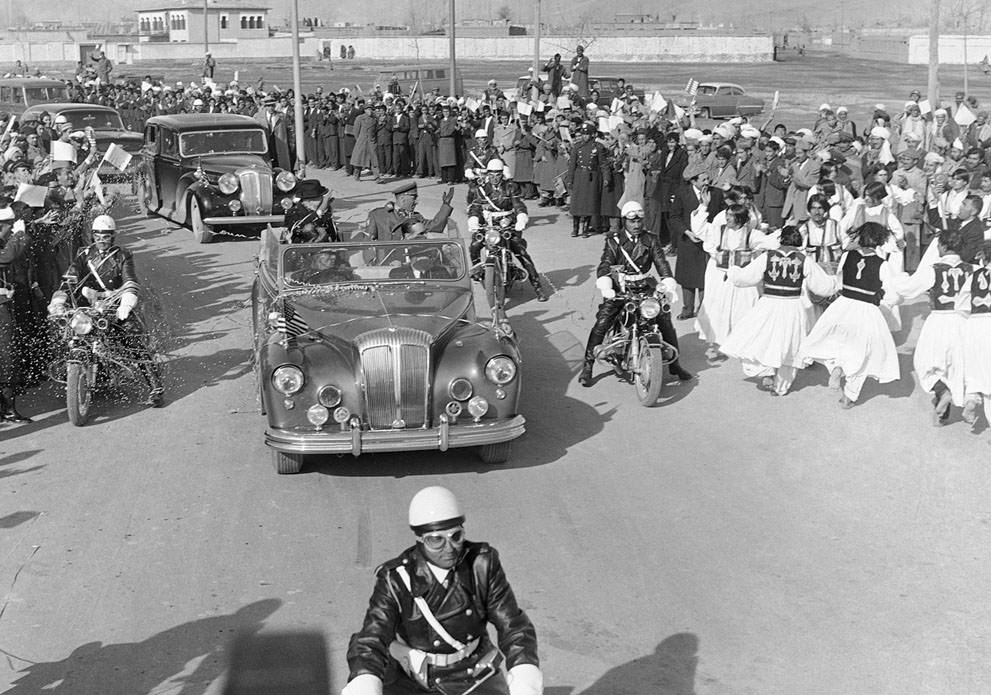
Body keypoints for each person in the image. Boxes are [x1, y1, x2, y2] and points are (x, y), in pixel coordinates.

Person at [342, 486, 543, 695]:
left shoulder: (482, 564)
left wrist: (524, 675)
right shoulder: (397, 578)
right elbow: (373, 636)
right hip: (412, 677)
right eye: (436, 540)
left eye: (456, 536)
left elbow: (512, 624)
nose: (449, 548)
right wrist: (365, 680)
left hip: (473, 672)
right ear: (420, 539)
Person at [48, 215, 164, 407]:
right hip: (88, 305)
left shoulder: (123, 255)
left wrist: (126, 304)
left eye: (106, 236)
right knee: (66, 331)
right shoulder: (84, 253)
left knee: (133, 338)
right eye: (98, 235)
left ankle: (155, 387)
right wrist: (59, 300)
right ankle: (70, 370)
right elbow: (70, 277)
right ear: (93, 235)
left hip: (114, 304)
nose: (102, 240)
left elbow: (130, 280)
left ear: (113, 236)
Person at [579, 201, 693, 386]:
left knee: (664, 319)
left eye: (640, 220)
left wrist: (667, 282)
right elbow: (605, 264)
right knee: (602, 321)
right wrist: (606, 285)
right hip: (620, 288)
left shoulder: (652, 239)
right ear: (625, 221)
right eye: (632, 221)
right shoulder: (613, 240)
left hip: (644, 286)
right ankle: (588, 366)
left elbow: (661, 262)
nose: (637, 224)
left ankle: (674, 365)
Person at [720, 225, 838, 396]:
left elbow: (746, 277)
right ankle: (780, 387)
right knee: (789, 344)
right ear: (798, 240)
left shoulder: (767, 256)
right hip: (792, 306)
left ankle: (765, 372)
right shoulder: (804, 260)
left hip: (769, 304)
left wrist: (733, 273)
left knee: (763, 338)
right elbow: (822, 287)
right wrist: (836, 281)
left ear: (781, 239)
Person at [799, 222, 901, 409]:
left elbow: (839, 282)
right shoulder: (882, 264)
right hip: (867, 310)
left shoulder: (847, 256)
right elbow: (892, 295)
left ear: (860, 237)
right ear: (879, 241)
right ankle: (849, 396)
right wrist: (880, 299)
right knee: (863, 352)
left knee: (836, 341)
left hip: (844, 306)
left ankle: (837, 366)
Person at [892, 228, 972, 424]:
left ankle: (942, 391)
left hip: (939, 320)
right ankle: (948, 406)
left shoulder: (932, 270)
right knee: (955, 366)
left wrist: (898, 277)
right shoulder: (973, 269)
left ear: (943, 246)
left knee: (925, 362)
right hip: (964, 322)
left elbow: (907, 290)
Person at [466, 159, 548, 302]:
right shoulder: (481, 190)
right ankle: (478, 272)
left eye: (497, 174)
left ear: (502, 174)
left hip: (507, 225)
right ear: (487, 174)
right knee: (474, 245)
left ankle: (537, 286)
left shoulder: (511, 187)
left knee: (521, 251)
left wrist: (521, 217)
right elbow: (476, 207)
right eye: (491, 174)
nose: (494, 178)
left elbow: (518, 204)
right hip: (488, 226)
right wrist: (473, 218)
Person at [0, 212, 31, 423]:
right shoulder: (9, 242)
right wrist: (20, 234)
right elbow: (9, 256)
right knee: (7, 356)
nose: (9, 229)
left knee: (7, 357)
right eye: (7, 226)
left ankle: (7, 408)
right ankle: (8, 410)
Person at [962, 240, 991, 429]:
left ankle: (972, 397)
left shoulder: (975, 275)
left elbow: (960, 305)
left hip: (976, 323)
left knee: (977, 367)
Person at [365, 181, 454, 242]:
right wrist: (371, 264)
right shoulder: (378, 215)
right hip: (386, 264)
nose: (416, 202)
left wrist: (445, 205)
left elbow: (435, 226)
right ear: (402, 198)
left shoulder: (416, 217)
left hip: (410, 264)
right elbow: (367, 242)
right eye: (414, 197)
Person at [566, 123, 610, 238]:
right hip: (580, 176)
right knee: (577, 203)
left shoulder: (598, 147)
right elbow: (572, 165)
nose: (584, 136)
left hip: (592, 177)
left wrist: (606, 177)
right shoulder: (577, 147)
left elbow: (603, 164)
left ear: (592, 135)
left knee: (589, 203)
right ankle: (575, 228)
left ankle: (585, 228)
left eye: (587, 134)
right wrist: (570, 179)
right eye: (583, 134)